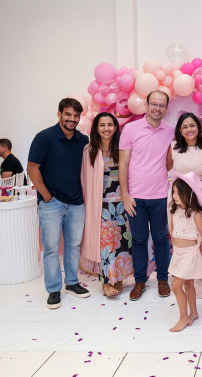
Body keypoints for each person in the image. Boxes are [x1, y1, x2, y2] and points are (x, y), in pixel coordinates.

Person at [27, 98, 90, 309]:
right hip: (51, 203)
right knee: (52, 248)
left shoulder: (83, 140)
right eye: (68, 114)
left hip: (77, 203)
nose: (72, 119)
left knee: (74, 245)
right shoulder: (44, 137)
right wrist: (46, 196)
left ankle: (71, 282)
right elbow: (32, 168)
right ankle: (54, 289)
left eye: (76, 116)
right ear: (59, 114)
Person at [119, 90, 175, 301]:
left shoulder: (170, 131)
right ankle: (140, 281)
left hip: (160, 196)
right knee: (139, 240)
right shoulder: (130, 129)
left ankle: (162, 279)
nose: (157, 108)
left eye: (162, 105)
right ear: (146, 105)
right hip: (136, 198)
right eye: (154, 104)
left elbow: (171, 161)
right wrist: (125, 195)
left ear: (166, 108)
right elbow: (123, 163)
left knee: (161, 239)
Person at [80, 112, 133, 297]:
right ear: (96, 128)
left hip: (122, 204)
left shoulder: (122, 147)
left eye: (110, 124)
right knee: (105, 245)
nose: (106, 128)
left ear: (115, 127)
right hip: (101, 206)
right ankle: (106, 281)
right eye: (102, 125)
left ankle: (118, 279)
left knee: (122, 243)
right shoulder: (89, 150)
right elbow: (85, 180)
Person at [166, 112, 202, 298]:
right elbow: (168, 170)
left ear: (198, 128)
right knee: (179, 236)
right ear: (180, 130)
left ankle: (200, 284)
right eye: (184, 127)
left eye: (192, 125)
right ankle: (181, 278)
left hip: (201, 197)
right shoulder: (173, 147)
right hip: (177, 199)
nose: (189, 129)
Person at [167, 170, 202, 332]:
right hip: (178, 253)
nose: (174, 196)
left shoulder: (195, 214)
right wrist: (176, 249)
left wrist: (198, 253)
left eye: (177, 192)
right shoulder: (174, 211)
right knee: (188, 284)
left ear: (187, 194)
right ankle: (194, 312)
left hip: (190, 254)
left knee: (175, 287)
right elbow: (173, 231)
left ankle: (184, 317)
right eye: (173, 192)